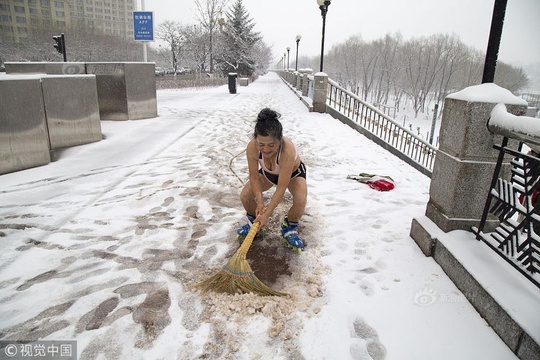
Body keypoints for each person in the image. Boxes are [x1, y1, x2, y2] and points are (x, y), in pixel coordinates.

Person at [237, 108, 308, 250]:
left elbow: (281, 187)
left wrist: (267, 215)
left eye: (271, 145)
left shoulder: (287, 151)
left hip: (293, 175)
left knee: (300, 200)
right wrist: (260, 201)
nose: (266, 149)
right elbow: (253, 177)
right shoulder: (252, 147)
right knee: (245, 195)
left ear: (279, 140)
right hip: (268, 174)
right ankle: (254, 222)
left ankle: (289, 228)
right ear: (255, 139)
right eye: (261, 144)